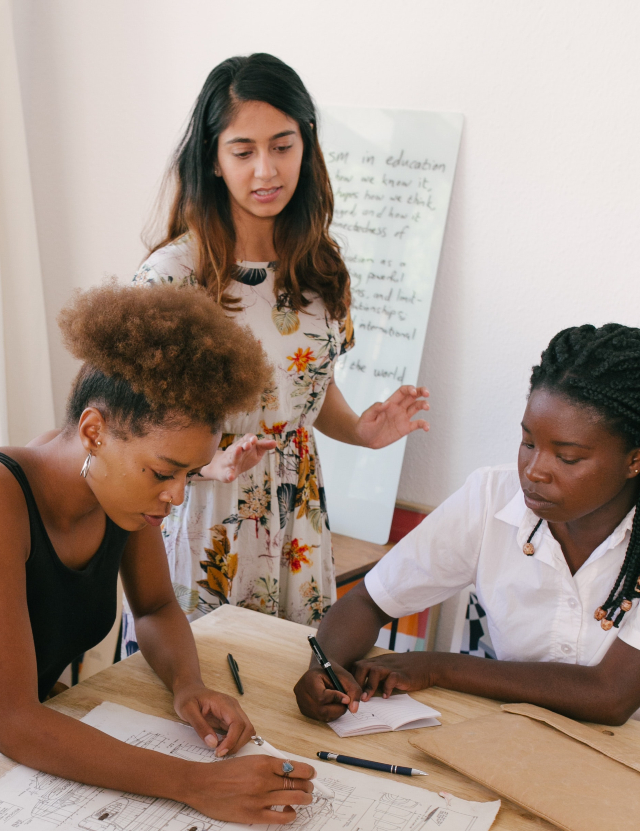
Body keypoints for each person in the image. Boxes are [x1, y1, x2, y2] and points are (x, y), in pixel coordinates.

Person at [122, 52, 429, 655]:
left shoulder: (321, 268)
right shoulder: (170, 279)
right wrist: (206, 465)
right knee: (196, 696)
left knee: (286, 683)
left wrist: (362, 432)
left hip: (297, 517)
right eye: (243, 151)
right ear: (212, 158)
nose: (266, 170)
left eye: (282, 146)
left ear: (306, 146)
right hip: (204, 508)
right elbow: (126, 428)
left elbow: (308, 390)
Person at [0, 281, 316, 824]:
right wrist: (193, 782)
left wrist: (187, 685)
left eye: (190, 475)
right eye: (164, 473)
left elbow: (155, 608)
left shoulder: (122, 496)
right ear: (94, 431)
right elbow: (12, 718)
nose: (176, 496)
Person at [294, 323, 640, 726]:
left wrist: (436, 667)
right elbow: (369, 601)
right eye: (528, 442)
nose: (534, 470)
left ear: (634, 459)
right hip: (515, 736)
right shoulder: (493, 497)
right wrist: (326, 666)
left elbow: (611, 696)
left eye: (567, 458)